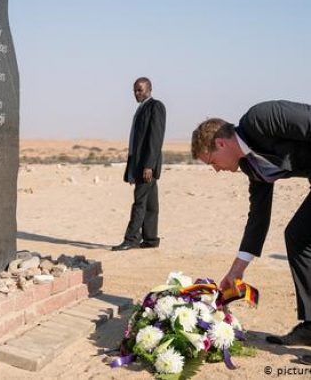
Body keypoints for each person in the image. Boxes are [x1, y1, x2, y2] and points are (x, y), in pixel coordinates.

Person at [191, 100, 311, 346]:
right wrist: (236, 272)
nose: (215, 170)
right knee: (298, 236)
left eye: (211, 161)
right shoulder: (252, 167)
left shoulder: (260, 119)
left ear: (221, 143)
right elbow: (258, 219)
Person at [112, 77, 166, 251]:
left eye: (140, 90)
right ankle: (150, 239)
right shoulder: (141, 109)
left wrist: (149, 165)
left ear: (149, 89)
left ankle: (132, 239)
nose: (136, 93)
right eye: (134, 90)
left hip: (147, 166)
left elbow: (155, 138)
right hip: (140, 165)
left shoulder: (155, 106)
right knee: (151, 204)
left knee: (139, 202)